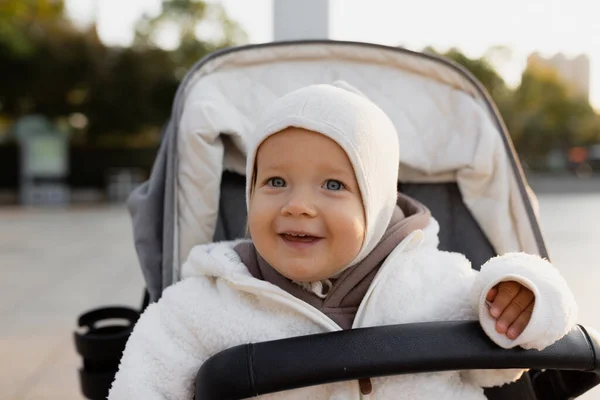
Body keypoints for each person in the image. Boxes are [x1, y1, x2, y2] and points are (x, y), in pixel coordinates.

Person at [109, 82, 578, 400]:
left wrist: (525, 296)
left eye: (332, 186)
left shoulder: (436, 283)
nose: (297, 205)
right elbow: (144, 381)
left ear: (376, 204)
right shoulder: (202, 306)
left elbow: (510, 356)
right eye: (274, 182)